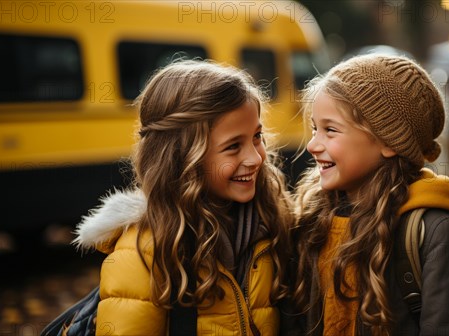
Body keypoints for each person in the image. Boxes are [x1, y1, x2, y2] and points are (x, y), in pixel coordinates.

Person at [72, 60, 293, 335]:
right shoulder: (146, 251)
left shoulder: (269, 222)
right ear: (183, 157)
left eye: (257, 136)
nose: (255, 157)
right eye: (233, 146)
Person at [288, 54, 449, 336]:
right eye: (315, 128)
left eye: (330, 130)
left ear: (390, 141)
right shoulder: (312, 219)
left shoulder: (432, 231)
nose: (313, 144)